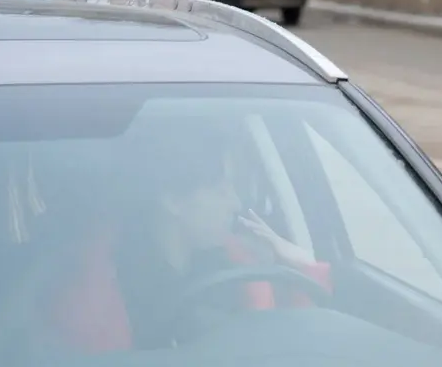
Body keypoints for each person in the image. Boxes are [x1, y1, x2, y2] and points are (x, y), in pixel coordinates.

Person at [44, 121, 331, 352]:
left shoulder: (237, 264)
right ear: (173, 201)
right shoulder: (108, 295)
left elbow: (294, 360)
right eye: (221, 189)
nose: (235, 202)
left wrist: (303, 270)